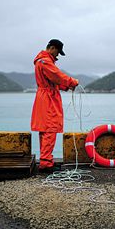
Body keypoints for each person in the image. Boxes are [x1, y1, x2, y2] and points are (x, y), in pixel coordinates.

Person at [31, 39, 79, 172]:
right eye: (57, 52)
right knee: (50, 129)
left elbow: (53, 80)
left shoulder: (41, 61)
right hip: (48, 98)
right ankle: (46, 164)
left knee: (44, 129)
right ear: (52, 48)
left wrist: (65, 87)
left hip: (43, 96)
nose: (57, 56)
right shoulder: (45, 61)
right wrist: (72, 82)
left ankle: (46, 160)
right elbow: (57, 76)